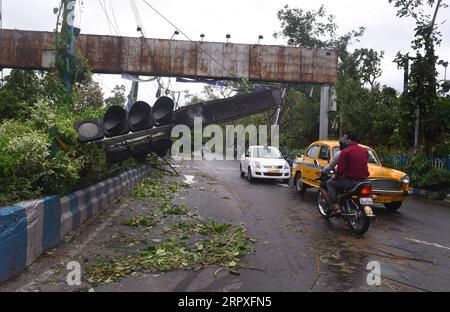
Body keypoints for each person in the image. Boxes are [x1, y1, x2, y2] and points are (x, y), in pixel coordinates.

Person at [326, 131, 369, 216]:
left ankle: (336, 207)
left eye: (345, 138)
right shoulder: (365, 151)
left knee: (330, 183)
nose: (343, 140)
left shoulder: (345, 152)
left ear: (348, 140)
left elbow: (340, 170)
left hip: (351, 182)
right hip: (365, 181)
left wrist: (336, 177)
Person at [319, 137, 349, 205]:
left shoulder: (340, 154)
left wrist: (323, 171)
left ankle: (334, 206)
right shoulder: (354, 152)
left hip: (346, 179)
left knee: (327, 184)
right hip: (359, 179)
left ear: (341, 146)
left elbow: (330, 166)